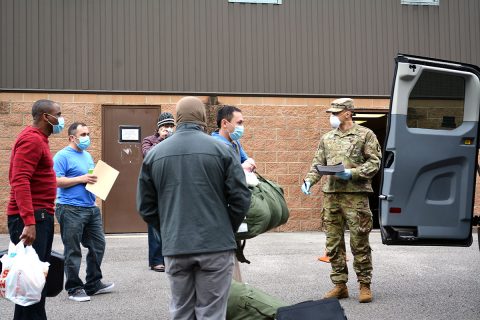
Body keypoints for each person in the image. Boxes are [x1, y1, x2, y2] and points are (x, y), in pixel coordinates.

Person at [137, 96, 251, 319]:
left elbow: (145, 206)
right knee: (212, 312)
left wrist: (168, 229)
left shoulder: (155, 155)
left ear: (177, 118)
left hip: (176, 245)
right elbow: (240, 197)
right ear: (203, 118)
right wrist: (226, 227)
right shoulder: (222, 150)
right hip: (216, 245)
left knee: (181, 310)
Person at [301, 98, 381, 303]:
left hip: (355, 197)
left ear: (348, 113)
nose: (332, 116)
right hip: (332, 196)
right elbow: (317, 164)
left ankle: (364, 285)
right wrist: (309, 181)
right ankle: (340, 285)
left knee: (359, 241)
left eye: (336, 112)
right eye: (332, 112)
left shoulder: (365, 135)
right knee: (333, 243)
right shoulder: (327, 138)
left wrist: (352, 173)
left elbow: (375, 163)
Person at [6, 99, 63, 320]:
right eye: (58, 114)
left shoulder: (40, 139)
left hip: (39, 217)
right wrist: (29, 221)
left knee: (34, 284)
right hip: (32, 220)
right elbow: (19, 180)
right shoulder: (31, 140)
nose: (60, 118)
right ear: (45, 117)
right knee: (31, 283)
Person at [53, 122, 114, 302]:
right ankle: (74, 288)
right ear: (72, 137)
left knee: (98, 246)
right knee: (73, 250)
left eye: (88, 133)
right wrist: (82, 178)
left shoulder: (86, 155)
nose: (87, 137)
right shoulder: (62, 156)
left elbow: (89, 178)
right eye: (83, 134)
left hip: (90, 208)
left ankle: (93, 283)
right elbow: (55, 181)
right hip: (70, 209)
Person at [141, 112, 176, 272]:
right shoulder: (149, 140)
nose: (168, 129)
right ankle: (156, 260)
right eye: (165, 126)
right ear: (159, 128)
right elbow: (147, 155)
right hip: (155, 188)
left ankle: (173, 258)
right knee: (155, 224)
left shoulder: (176, 140)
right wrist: (162, 140)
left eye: (171, 126)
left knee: (173, 224)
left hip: (172, 187)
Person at [211, 105, 256, 172]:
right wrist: (241, 168)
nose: (242, 127)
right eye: (239, 123)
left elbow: (246, 160)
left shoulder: (235, 142)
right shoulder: (214, 146)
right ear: (225, 123)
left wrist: (249, 162)